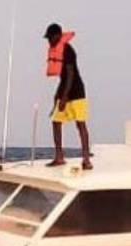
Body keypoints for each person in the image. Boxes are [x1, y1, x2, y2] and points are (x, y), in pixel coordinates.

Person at [44, 22, 92, 170]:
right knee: (56, 122)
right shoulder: (56, 50)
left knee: (80, 124)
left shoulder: (68, 50)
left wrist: (64, 98)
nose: (49, 41)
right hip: (64, 89)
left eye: (50, 38)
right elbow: (63, 78)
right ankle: (59, 157)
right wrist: (57, 95)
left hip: (77, 92)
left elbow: (70, 75)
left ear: (57, 35)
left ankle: (86, 159)